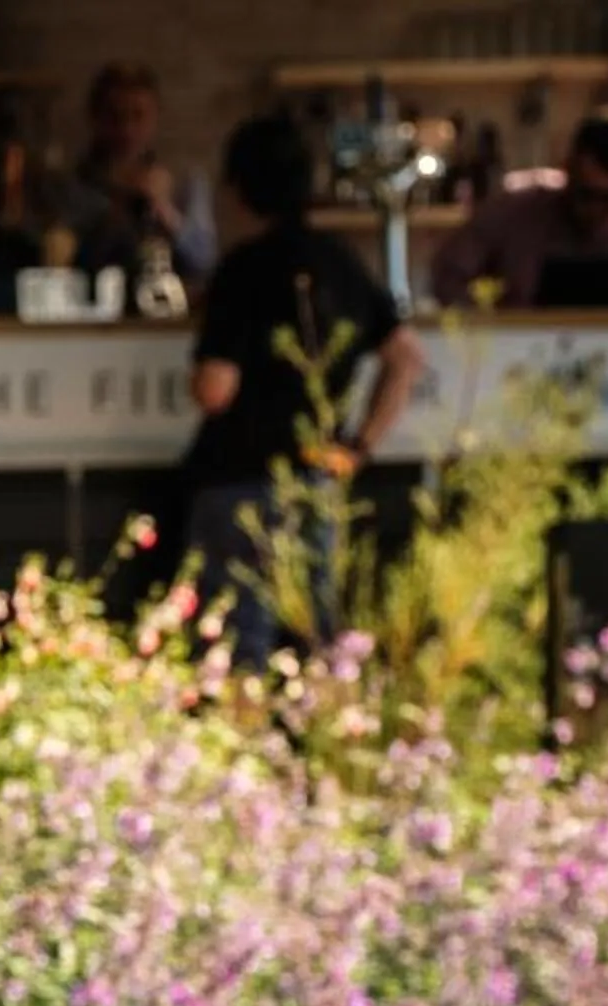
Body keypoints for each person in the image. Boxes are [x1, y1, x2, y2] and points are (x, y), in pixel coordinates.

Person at [181, 115, 429, 663]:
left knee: (237, 652)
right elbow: (407, 358)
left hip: (241, 477)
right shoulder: (338, 260)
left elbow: (215, 389)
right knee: (316, 646)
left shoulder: (243, 269)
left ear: (237, 189)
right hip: (317, 477)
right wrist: (357, 448)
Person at [431, 113, 608, 310]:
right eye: (586, 195)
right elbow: (448, 273)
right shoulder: (516, 210)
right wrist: (496, 332)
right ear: (567, 171)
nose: (595, 210)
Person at [54, 64, 218, 287]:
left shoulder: (185, 181)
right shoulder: (69, 187)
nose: (127, 130)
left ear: (155, 117)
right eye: (115, 117)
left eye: (138, 116)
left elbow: (204, 262)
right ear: (95, 119)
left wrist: (165, 210)